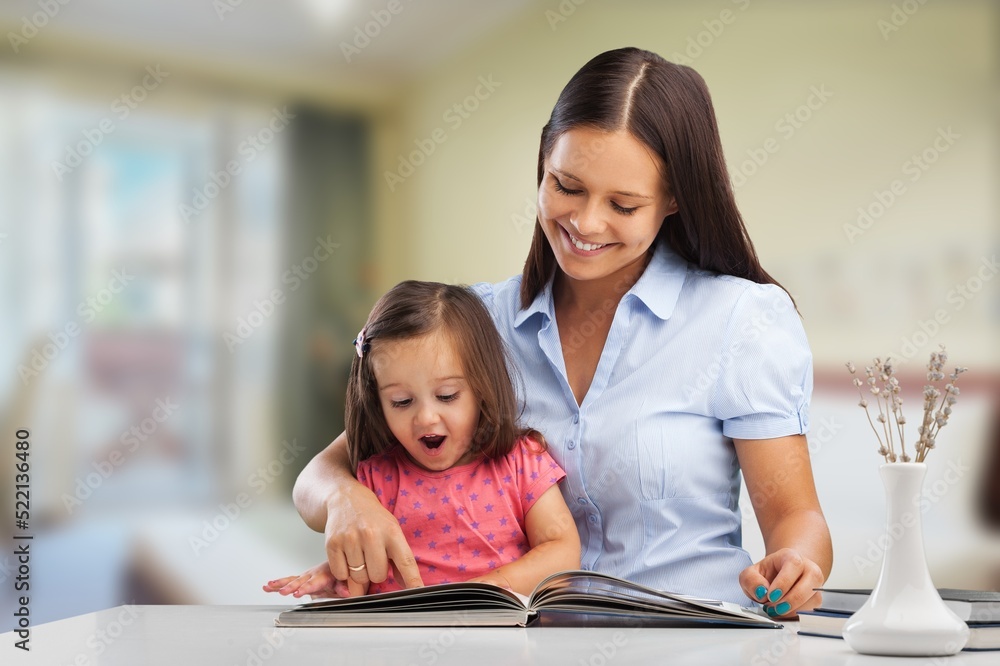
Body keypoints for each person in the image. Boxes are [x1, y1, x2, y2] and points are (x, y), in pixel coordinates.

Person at [291, 47, 832, 617]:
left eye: (623, 204)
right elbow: (319, 477)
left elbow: (796, 518)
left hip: (689, 640)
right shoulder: (473, 325)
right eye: (567, 187)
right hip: (519, 644)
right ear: (543, 161)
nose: (586, 223)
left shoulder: (741, 319)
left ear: (673, 200)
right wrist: (348, 501)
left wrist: (797, 563)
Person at [264, 281, 580, 598]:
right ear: (377, 403)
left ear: (482, 387)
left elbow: (562, 550)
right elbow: (359, 576)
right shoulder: (372, 482)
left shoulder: (521, 462)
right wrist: (340, 578)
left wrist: (482, 590)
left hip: (503, 642)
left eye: (447, 395)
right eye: (401, 401)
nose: (426, 417)